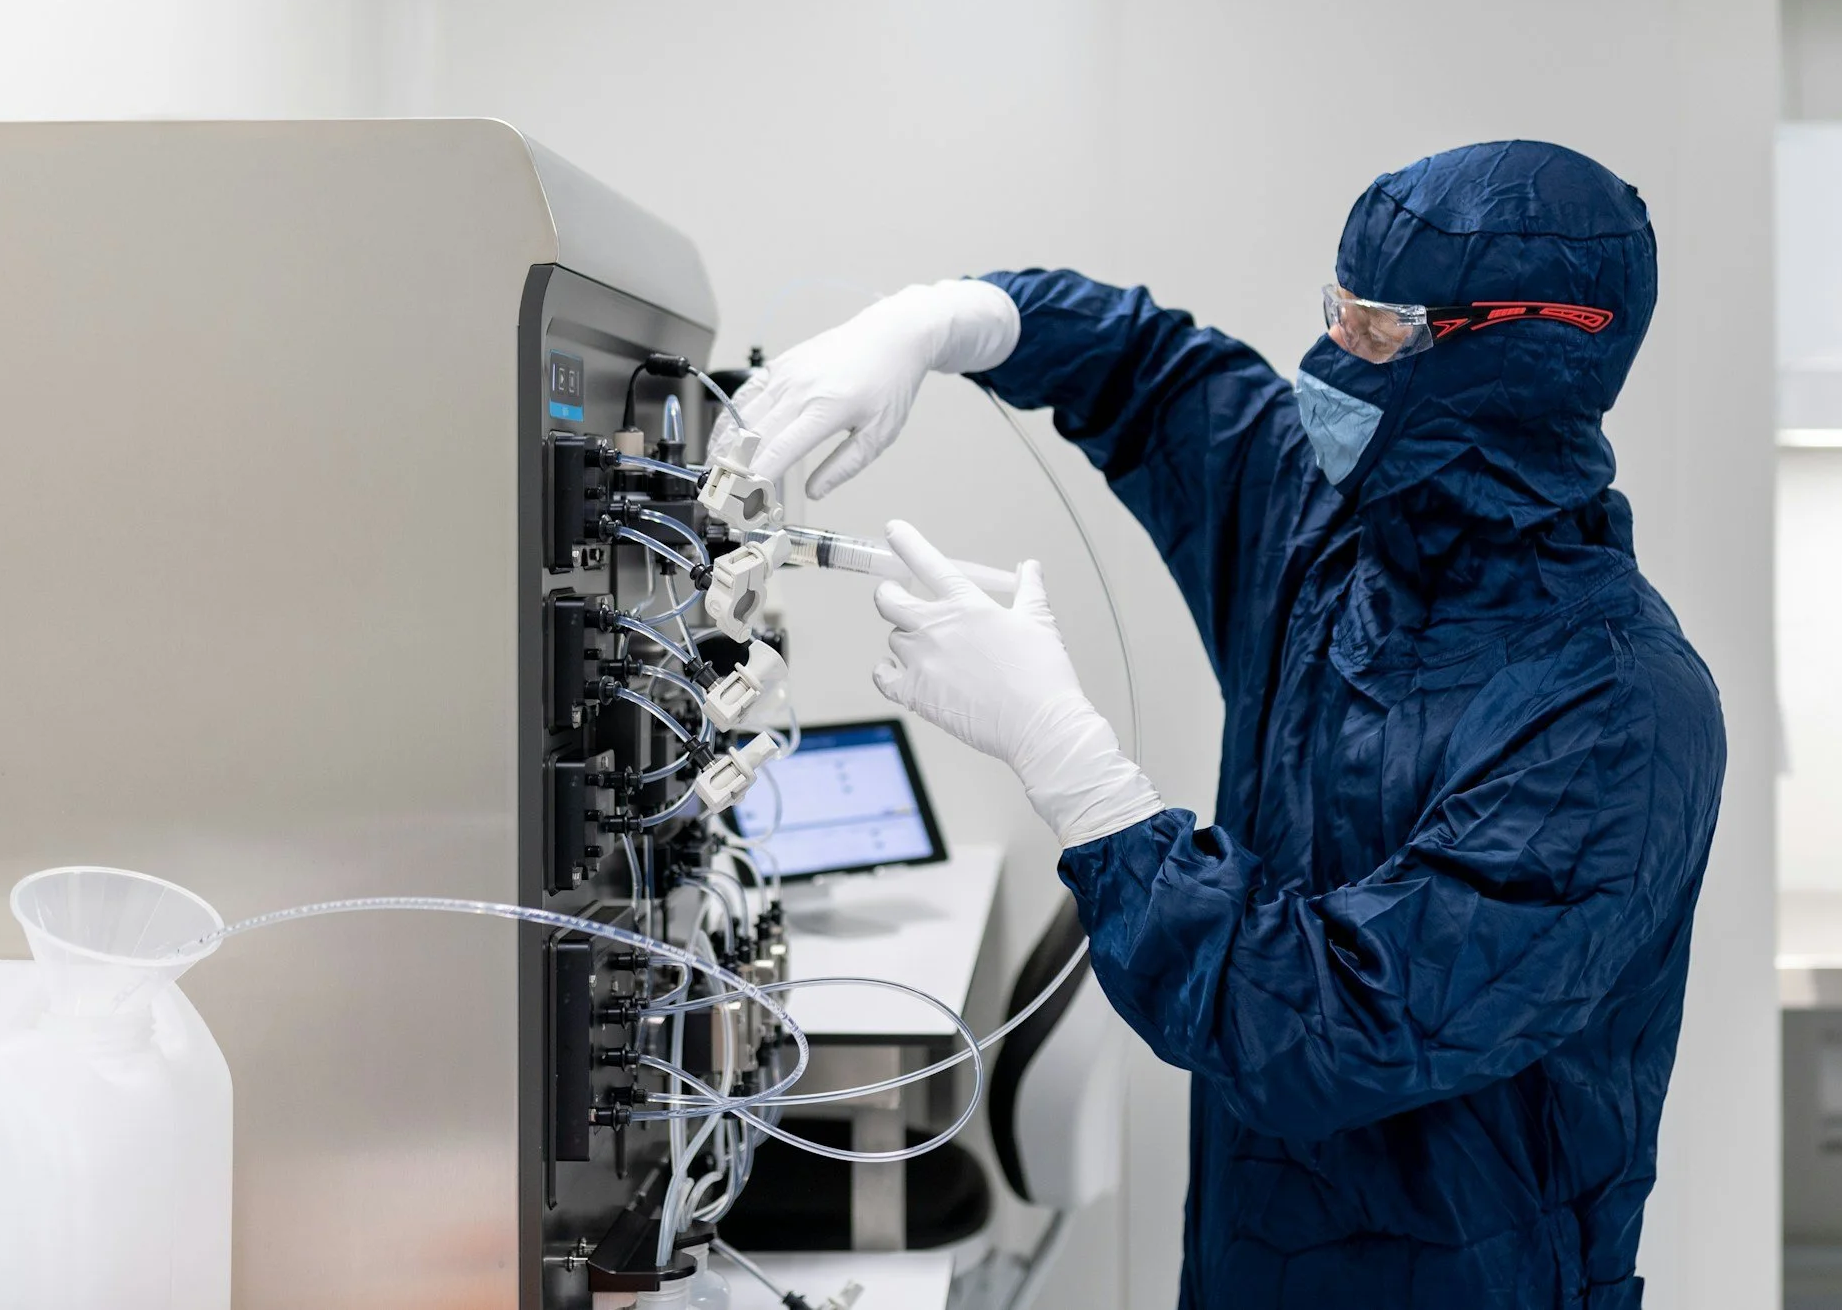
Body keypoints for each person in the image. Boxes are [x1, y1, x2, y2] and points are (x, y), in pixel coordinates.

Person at [726, 140, 1727, 1310]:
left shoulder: (1615, 709)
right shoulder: (1329, 536)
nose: (1329, 358)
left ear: (1523, 349)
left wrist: (1076, 768)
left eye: (1378, 330)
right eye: (1334, 310)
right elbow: (1152, 372)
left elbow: (1336, 1025)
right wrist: (942, 321)